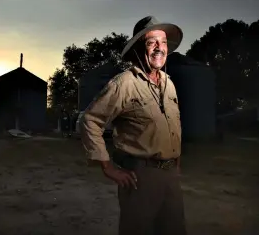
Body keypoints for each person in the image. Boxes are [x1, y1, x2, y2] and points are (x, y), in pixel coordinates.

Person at [79, 16, 187, 235]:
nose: (160, 48)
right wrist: (108, 167)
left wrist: (176, 162)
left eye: (163, 42)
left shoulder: (169, 83)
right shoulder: (124, 83)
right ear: (139, 47)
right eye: (152, 42)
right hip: (140, 177)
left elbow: (173, 126)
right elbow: (90, 120)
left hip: (171, 176)